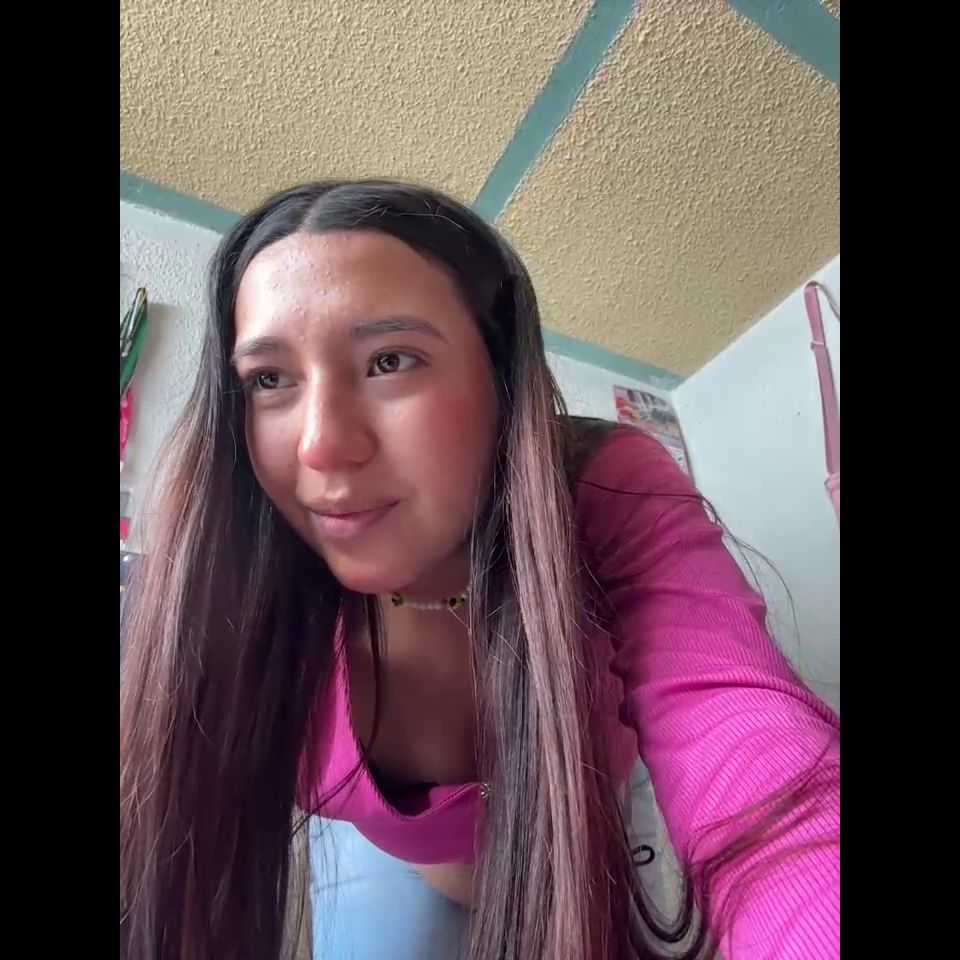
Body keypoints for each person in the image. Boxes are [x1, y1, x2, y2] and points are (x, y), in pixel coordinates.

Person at [119, 179, 840, 960]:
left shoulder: (598, 485)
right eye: (270, 379)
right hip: (395, 869)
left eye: (390, 360)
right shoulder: (225, 572)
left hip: (584, 814)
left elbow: (744, 741)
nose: (320, 446)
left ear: (501, 381)